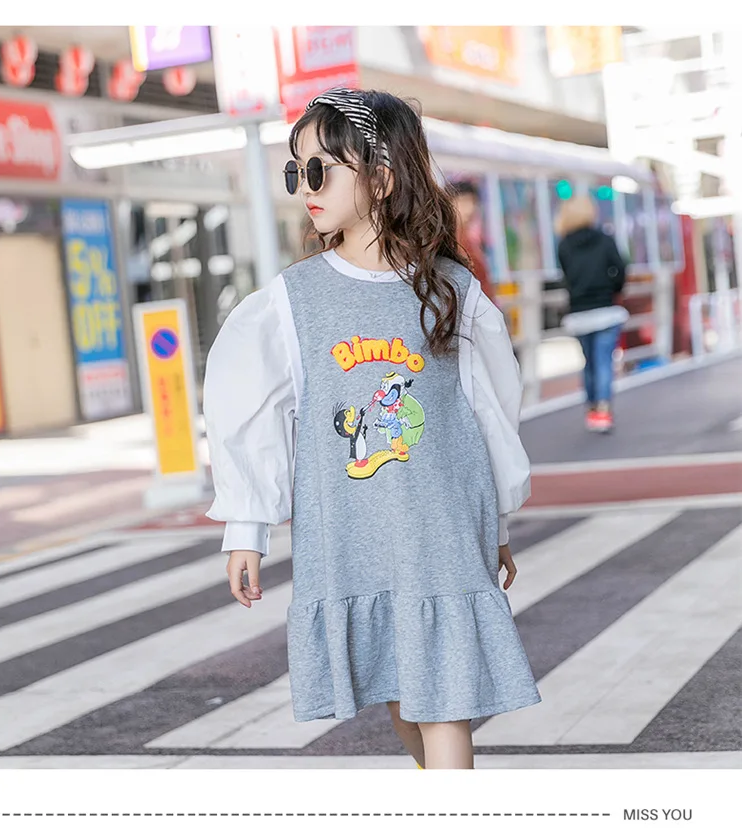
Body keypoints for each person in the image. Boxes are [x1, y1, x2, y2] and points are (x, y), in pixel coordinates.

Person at [203, 88, 541, 771]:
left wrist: (498, 519)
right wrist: (246, 527)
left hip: (441, 525)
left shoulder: (450, 290)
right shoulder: (290, 301)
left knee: (443, 699)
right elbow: (253, 417)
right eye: (297, 171)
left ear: (382, 179)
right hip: (348, 529)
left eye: (321, 170)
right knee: (401, 689)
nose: (306, 187)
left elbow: (490, 411)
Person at [556, 196, 628, 433]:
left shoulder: (564, 245)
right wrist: (613, 288)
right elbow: (620, 269)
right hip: (605, 309)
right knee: (604, 361)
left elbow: (566, 277)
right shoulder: (605, 239)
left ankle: (591, 408)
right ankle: (603, 409)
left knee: (588, 363)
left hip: (579, 313)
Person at [447, 179, 496, 302]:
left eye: (473, 202)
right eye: (464, 202)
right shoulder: (449, 241)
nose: (470, 209)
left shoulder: (470, 239)